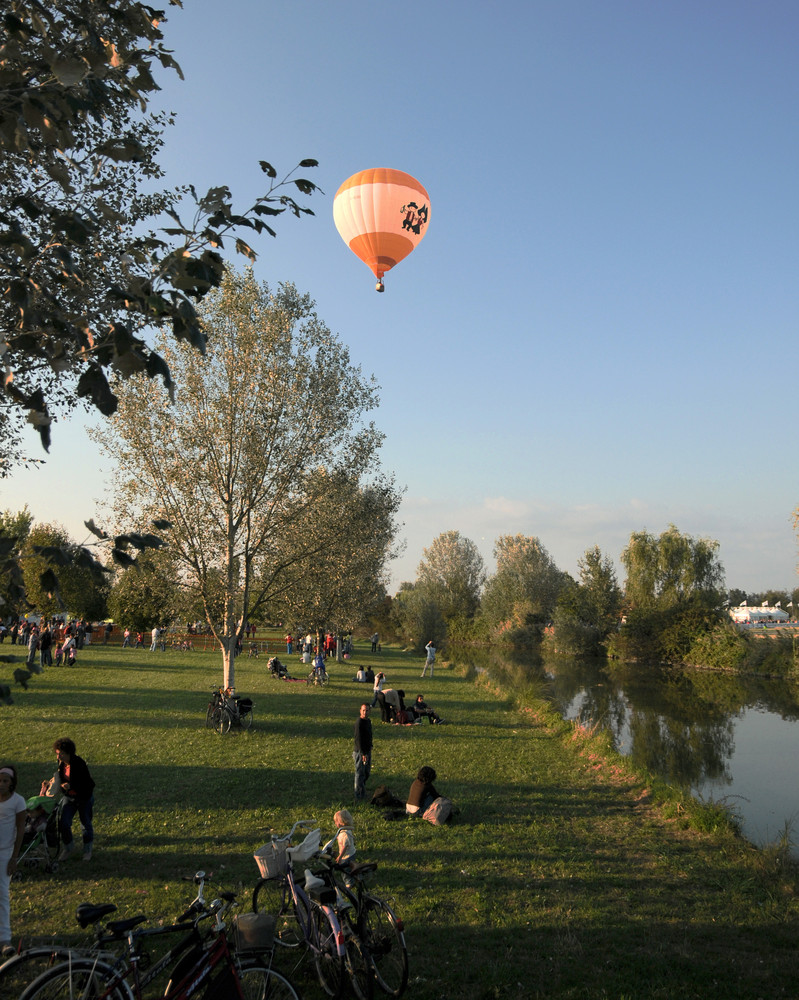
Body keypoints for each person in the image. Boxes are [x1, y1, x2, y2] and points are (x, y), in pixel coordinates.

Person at [53, 737, 95, 862]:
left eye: (61, 754)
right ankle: (68, 848)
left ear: (68, 753)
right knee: (63, 823)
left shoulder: (79, 764)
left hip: (83, 798)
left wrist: (71, 786)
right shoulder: (62, 764)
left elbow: (85, 783)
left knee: (85, 824)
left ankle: (87, 851)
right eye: (57, 754)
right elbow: (62, 780)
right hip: (69, 797)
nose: (58, 757)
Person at [0, 765, 26, 956]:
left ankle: (5, 939)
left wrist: (13, 858)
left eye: (5, 781)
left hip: (5, 853)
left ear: (12, 783)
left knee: (2, 895)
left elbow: (20, 831)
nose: (1, 784)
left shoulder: (18, 802)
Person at [353, 704, 373, 802]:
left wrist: (370, 746)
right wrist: (363, 754)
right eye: (363, 710)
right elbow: (358, 739)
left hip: (367, 750)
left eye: (367, 710)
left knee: (366, 772)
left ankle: (362, 788)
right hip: (360, 752)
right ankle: (359, 794)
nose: (365, 712)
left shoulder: (368, 721)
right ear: (360, 711)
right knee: (360, 773)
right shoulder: (359, 723)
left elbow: (369, 734)